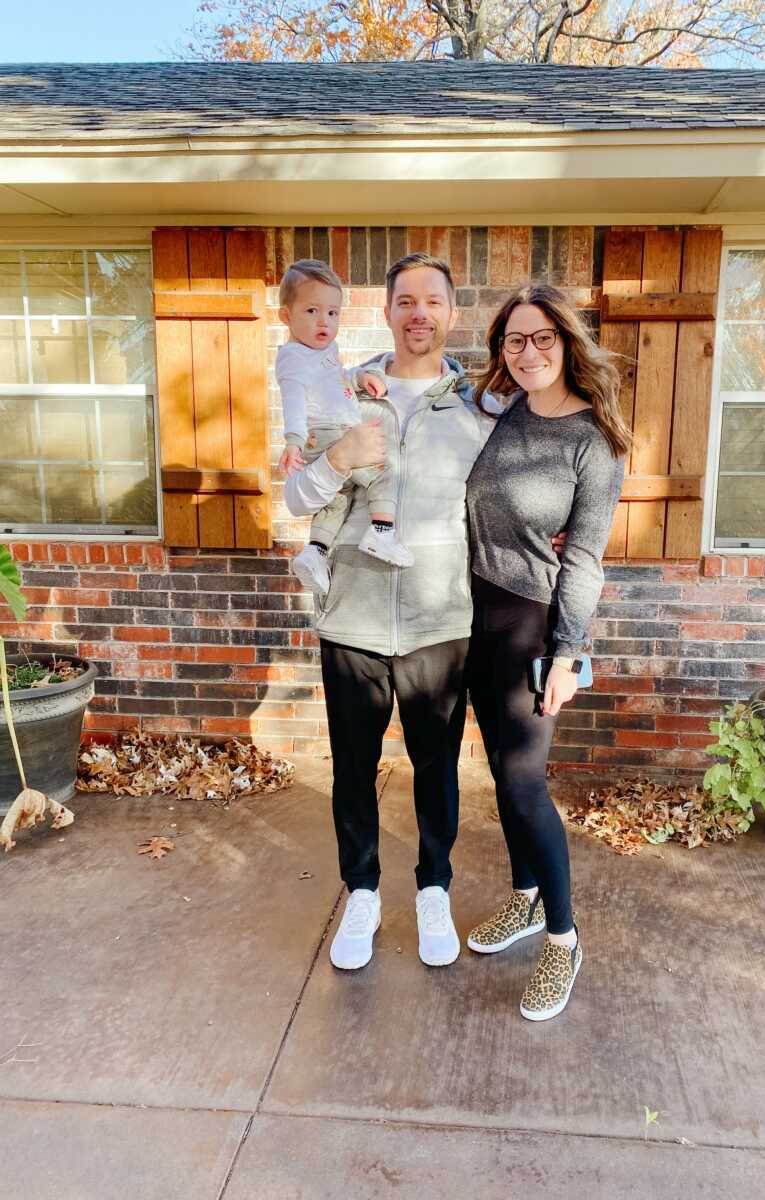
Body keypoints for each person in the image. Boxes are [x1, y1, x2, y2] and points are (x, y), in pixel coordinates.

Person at [283, 252, 495, 972]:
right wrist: (338, 457)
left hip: (441, 622)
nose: (418, 313)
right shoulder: (340, 391)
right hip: (354, 618)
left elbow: (505, 505)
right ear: (388, 310)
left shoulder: (480, 408)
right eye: (405, 300)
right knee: (353, 765)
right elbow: (297, 499)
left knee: (436, 767)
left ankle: (433, 887)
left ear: (450, 313)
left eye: (432, 301)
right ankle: (363, 892)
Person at [464, 284, 629, 1021]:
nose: (527, 353)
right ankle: (525, 899)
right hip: (469, 617)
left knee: (527, 782)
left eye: (542, 339)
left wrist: (568, 654)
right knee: (501, 772)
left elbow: (585, 557)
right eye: (514, 341)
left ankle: (562, 940)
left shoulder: (592, 442)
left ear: (567, 342)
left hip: (531, 627)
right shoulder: (495, 413)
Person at [276, 259, 414, 595]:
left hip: (328, 432)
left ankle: (314, 553)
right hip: (328, 432)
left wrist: (359, 378)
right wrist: (292, 440)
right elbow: (293, 400)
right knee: (383, 470)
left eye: (332, 313)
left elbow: (335, 381)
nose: (324, 321)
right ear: (285, 316)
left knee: (338, 498)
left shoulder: (322, 351)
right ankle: (382, 532)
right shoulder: (293, 358)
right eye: (311, 311)